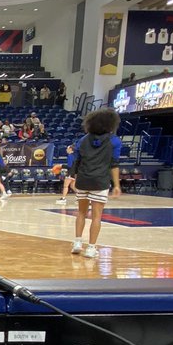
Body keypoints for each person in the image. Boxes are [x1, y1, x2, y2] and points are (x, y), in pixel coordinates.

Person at [71, 107, 122, 259]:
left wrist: (74, 177)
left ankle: (77, 243)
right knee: (96, 216)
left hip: (83, 179)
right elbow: (114, 164)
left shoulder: (83, 139)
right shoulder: (114, 141)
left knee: (81, 212)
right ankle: (91, 248)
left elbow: (77, 161)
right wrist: (117, 185)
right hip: (100, 181)